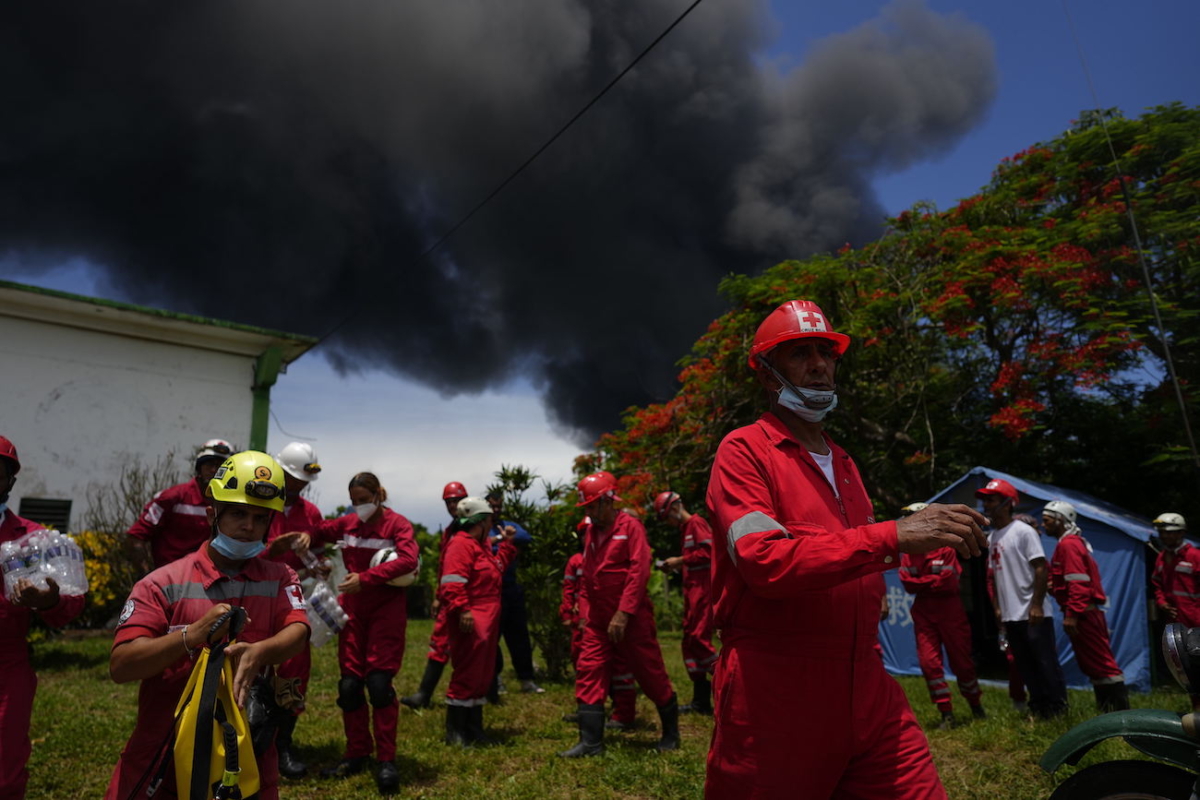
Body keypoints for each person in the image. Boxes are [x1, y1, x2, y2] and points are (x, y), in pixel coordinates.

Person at [705, 299, 988, 798]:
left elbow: (851, 560)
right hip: (777, 688)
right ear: (770, 375)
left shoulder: (846, 463)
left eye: (826, 353)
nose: (818, 364)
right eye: (798, 354)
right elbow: (764, 563)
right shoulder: (743, 451)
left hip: (868, 682)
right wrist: (894, 536)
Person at [105, 451, 309, 800]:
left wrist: (262, 651)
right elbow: (122, 665)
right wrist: (190, 636)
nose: (249, 526)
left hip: (247, 755)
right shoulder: (162, 582)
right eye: (239, 513)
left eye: (260, 518)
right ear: (213, 513)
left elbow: (298, 631)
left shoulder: (280, 577)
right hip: (164, 755)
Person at [560, 471, 679, 757]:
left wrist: (624, 613)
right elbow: (588, 577)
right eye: (585, 507)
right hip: (598, 620)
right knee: (588, 670)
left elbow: (639, 571)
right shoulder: (590, 532)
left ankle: (671, 733)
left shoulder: (631, 527)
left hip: (632, 618)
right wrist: (586, 615)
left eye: (591, 506)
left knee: (649, 672)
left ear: (606, 501)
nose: (588, 512)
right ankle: (590, 743)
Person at [318, 472, 419, 793]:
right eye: (354, 501)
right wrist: (305, 541)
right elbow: (317, 532)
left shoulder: (397, 525)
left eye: (364, 500)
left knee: (378, 683)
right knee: (349, 686)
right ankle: (356, 752)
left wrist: (367, 577)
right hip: (353, 611)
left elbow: (408, 559)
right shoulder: (347, 524)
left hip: (385, 610)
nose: (359, 506)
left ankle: (386, 759)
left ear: (378, 495)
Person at [0, 436, 85, 800]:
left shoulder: (34, 541)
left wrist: (50, 602)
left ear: (10, 482)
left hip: (5, 665)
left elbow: (70, 603)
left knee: (3, 772)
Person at [261, 441, 326, 779]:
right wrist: (275, 548)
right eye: (293, 478)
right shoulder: (256, 505)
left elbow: (321, 554)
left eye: (302, 480)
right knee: (252, 666)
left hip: (292, 598)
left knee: (293, 667)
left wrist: (323, 565)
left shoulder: (311, 515)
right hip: (255, 596)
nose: (298, 485)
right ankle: (250, 739)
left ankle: (282, 743)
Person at [980, 478, 1067, 719]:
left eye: (991, 499)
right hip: (1010, 615)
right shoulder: (993, 537)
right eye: (984, 499)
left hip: (1032, 612)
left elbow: (1041, 567)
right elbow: (995, 577)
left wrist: (1037, 605)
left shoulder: (1023, 532)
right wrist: (998, 609)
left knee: (1045, 662)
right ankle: (1038, 707)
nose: (985, 504)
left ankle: (1058, 710)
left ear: (1008, 503)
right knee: (1025, 665)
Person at [897, 501, 986, 729]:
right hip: (924, 613)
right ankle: (946, 712)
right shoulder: (909, 554)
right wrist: (930, 583)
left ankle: (976, 705)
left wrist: (921, 583)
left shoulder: (945, 548)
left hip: (950, 611)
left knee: (962, 662)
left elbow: (946, 583)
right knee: (929, 664)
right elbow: (907, 584)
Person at [440, 497, 518, 745]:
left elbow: (495, 568)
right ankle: (456, 730)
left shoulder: (480, 545)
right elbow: (452, 582)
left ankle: (474, 729)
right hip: (471, 617)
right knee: (467, 671)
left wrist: (506, 545)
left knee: (482, 673)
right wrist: (463, 610)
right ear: (482, 521)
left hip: (487, 618)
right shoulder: (460, 545)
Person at [1043, 500, 1129, 712]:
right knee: (1093, 665)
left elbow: (1079, 582)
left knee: (1102, 664)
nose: (1043, 525)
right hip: (1083, 613)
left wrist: (1072, 614)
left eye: (1047, 520)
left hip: (1084, 615)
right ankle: (1107, 712)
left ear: (1060, 520)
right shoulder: (1069, 543)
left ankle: (1121, 716)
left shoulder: (1069, 545)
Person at [559, 519, 637, 729]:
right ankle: (589, 712)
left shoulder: (608, 556)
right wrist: (569, 612)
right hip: (584, 622)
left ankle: (623, 712)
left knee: (621, 667)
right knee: (585, 666)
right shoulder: (576, 560)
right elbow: (570, 588)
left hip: (612, 618)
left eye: (589, 532)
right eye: (583, 533)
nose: (588, 537)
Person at [401, 481, 467, 710]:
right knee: (439, 645)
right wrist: (439, 596)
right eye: (448, 502)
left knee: (477, 647)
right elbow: (444, 567)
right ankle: (424, 694)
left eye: (456, 500)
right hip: (450, 597)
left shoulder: (474, 528)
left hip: (468, 599)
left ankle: (487, 690)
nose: (452, 505)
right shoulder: (450, 531)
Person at [126, 439, 233, 572]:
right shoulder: (172, 498)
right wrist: (147, 577)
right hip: (170, 581)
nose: (214, 470)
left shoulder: (230, 504)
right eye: (210, 464)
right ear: (199, 467)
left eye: (220, 467)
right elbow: (135, 537)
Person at [654, 490, 716, 715]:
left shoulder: (697, 523)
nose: (668, 523)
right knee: (689, 641)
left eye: (666, 518)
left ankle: (726, 679)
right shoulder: (685, 530)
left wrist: (680, 560)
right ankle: (701, 701)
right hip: (691, 591)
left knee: (699, 639)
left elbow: (710, 552)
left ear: (673, 508)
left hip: (703, 590)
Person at [486, 490, 543, 696]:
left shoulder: (508, 523)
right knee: (492, 637)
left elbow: (525, 537)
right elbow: (482, 547)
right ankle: (495, 679)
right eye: (492, 505)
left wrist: (500, 540)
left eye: (499, 506)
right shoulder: (483, 527)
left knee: (519, 636)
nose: (496, 509)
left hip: (511, 588)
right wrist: (504, 538)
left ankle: (526, 679)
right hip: (491, 590)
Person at [1151, 512, 1199, 708]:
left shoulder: (1194, 556)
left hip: (1196, 622)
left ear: (1182, 533)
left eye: (1170, 532)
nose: (1165, 536)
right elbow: (1157, 584)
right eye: (1162, 532)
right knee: (1189, 670)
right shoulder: (1162, 557)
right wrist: (1161, 603)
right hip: (1177, 623)